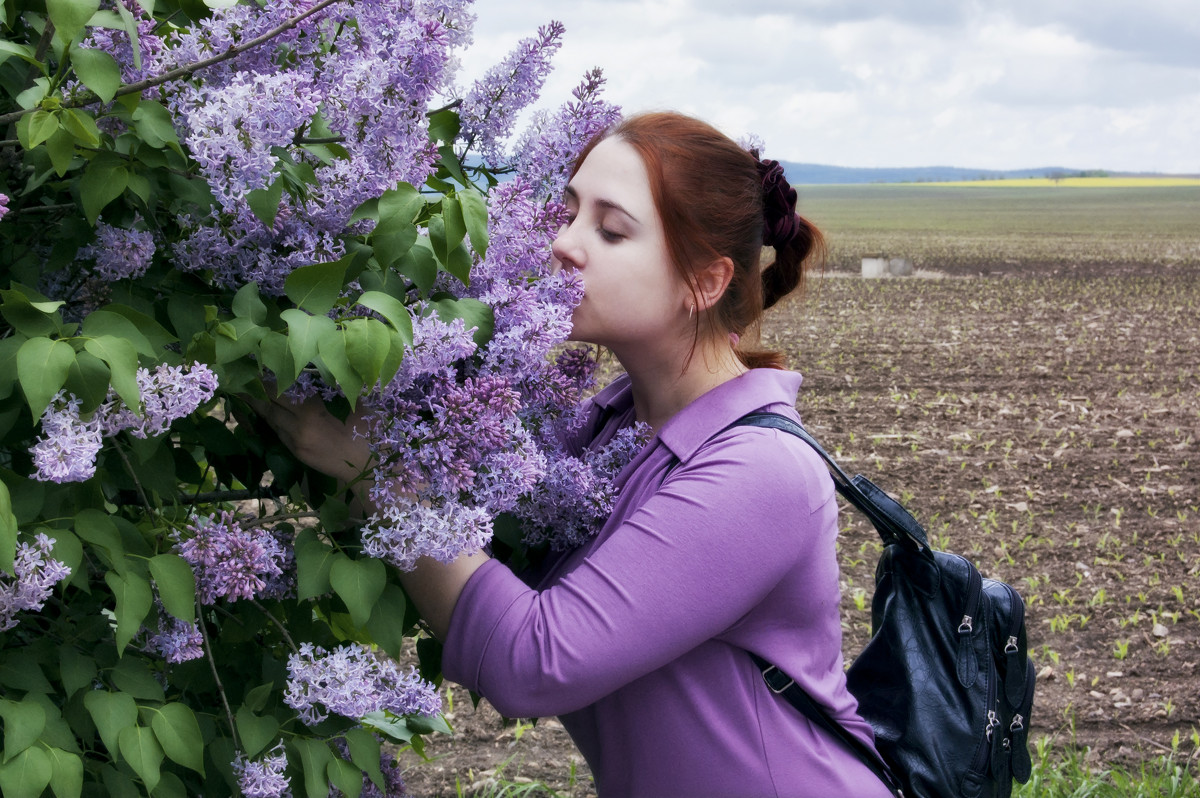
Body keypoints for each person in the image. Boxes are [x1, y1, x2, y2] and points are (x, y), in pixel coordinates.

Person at [258, 112, 893, 797]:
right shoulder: (612, 426)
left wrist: (380, 474)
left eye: (611, 230)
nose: (564, 244)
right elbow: (486, 542)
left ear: (706, 282)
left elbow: (533, 661)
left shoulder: (758, 471)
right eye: (567, 214)